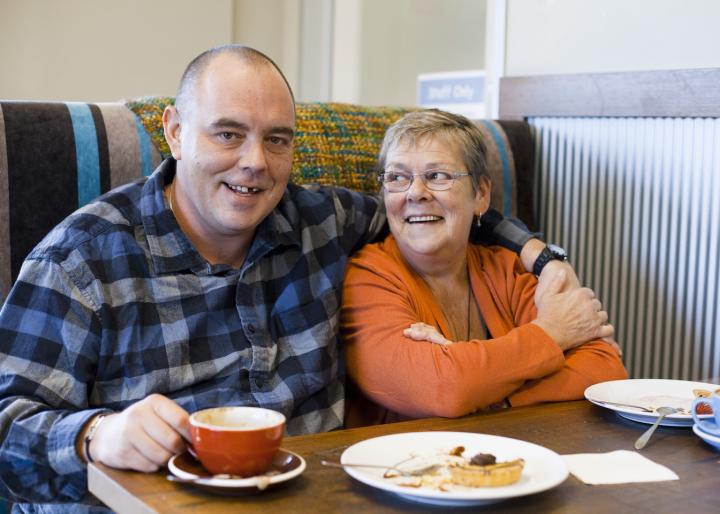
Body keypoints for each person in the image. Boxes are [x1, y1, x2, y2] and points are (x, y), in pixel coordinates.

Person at [0, 45, 570, 511]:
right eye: (227, 134)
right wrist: (96, 435)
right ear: (174, 132)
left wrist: (540, 257)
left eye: (277, 139)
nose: (256, 162)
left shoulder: (322, 220)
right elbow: (8, 428)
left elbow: (429, 211)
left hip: (320, 497)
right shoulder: (83, 259)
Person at [340, 109, 627, 427]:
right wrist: (552, 333)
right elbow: (444, 388)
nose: (415, 193)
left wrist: (482, 389)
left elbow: (604, 368)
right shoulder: (366, 276)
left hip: (508, 459)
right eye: (397, 177)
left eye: (437, 176)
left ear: (480, 195)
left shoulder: (506, 267)